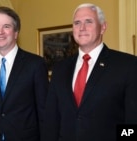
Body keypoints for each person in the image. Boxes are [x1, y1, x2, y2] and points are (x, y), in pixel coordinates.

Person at [42, 3, 137, 141]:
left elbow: (132, 123)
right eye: (77, 23)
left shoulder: (127, 65)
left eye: (88, 22)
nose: (82, 28)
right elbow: (51, 121)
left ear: (103, 27)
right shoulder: (60, 69)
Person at [0, 6, 49, 141]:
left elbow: (44, 112)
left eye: (6, 26)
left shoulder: (35, 64)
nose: (0, 32)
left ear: (16, 33)